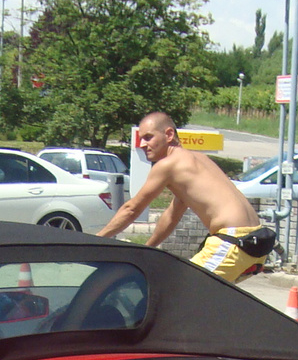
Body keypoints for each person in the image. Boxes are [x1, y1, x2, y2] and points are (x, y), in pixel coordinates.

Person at [95, 111, 272, 281]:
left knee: (179, 293)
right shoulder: (197, 160)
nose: (142, 144)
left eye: (148, 137)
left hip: (232, 242)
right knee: (205, 301)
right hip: (256, 241)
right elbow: (172, 215)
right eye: (141, 139)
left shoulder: (167, 165)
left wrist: (97, 239)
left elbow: (132, 209)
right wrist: (148, 248)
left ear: (169, 134)